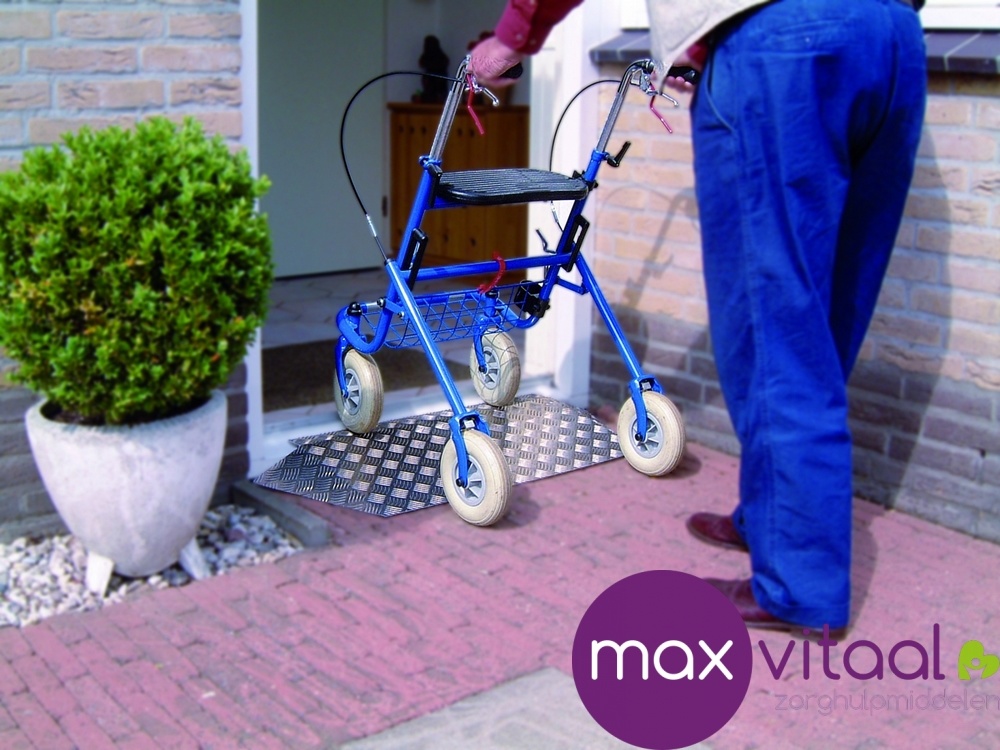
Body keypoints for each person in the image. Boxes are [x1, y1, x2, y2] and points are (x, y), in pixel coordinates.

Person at [470, 0, 927, 632]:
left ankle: (798, 589)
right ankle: (775, 523)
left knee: (776, 334)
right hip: (893, 39)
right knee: (824, 324)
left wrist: (514, 37)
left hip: (783, 42)